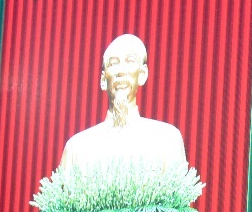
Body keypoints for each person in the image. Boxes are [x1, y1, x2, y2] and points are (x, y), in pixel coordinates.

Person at [59, 34, 188, 171]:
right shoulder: (77, 148)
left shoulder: (167, 140)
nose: (121, 71)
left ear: (142, 74)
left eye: (130, 61)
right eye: (113, 63)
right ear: (103, 80)